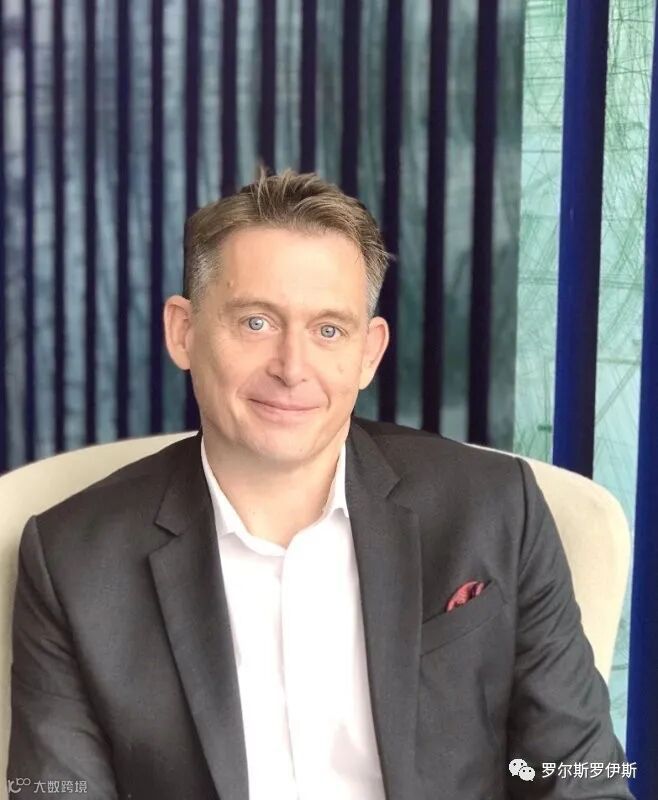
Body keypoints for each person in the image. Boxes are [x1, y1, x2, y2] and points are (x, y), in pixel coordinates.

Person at [7, 168, 634, 800]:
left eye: (328, 330)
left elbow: (584, 778)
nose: (292, 367)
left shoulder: (494, 509)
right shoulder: (72, 560)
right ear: (183, 332)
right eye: (256, 322)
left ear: (369, 353)